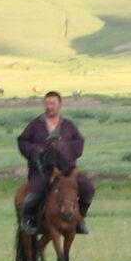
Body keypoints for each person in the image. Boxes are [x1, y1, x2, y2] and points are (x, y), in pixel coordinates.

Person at [17, 91, 93, 234]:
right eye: (47, 104)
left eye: (52, 104)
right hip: (42, 169)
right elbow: (22, 141)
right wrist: (36, 150)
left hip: (67, 170)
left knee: (88, 188)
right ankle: (27, 221)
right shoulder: (35, 124)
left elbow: (79, 142)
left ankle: (80, 219)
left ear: (60, 105)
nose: (49, 107)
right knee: (34, 193)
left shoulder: (68, 125)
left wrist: (64, 147)